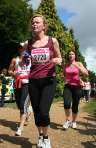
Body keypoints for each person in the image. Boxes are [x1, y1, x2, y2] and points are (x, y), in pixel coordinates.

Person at [25, 14, 62, 148]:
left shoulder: (53, 41)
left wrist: (58, 60)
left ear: (44, 26)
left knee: (43, 111)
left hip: (49, 80)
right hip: (33, 80)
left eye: (37, 22)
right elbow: (26, 58)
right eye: (33, 23)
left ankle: (46, 137)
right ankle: (40, 135)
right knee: (36, 111)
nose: (34, 24)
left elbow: (59, 57)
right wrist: (25, 58)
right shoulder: (29, 43)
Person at [8, 44, 31, 136]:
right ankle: (28, 112)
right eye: (21, 48)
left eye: (24, 48)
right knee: (19, 104)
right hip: (17, 83)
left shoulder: (30, 58)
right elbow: (9, 70)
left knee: (22, 103)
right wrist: (14, 73)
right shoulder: (15, 60)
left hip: (28, 83)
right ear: (19, 49)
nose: (22, 49)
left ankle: (20, 128)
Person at [62, 49, 88, 129]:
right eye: (69, 54)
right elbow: (63, 74)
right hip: (68, 86)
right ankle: (67, 120)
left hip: (77, 87)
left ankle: (73, 121)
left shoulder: (79, 63)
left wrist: (78, 67)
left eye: (72, 54)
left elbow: (86, 73)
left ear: (75, 55)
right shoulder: (66, 65)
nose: (71, 55)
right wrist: (64, 78)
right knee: (66, 104)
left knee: (75, 105)